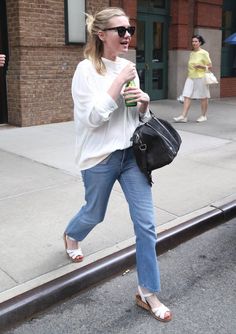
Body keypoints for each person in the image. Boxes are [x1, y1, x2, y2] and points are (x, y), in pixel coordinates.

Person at [63, 7, 172, 322]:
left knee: (147, 225)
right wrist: (118, 82)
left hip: (130, 156)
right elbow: (93, 119)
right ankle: (72, 234)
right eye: (120, 30)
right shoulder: (86, 70)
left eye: (130, 30)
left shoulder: (128, 66)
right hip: (99, 158)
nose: (127, 36)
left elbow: (133, 119)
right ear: (101, 35)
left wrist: (143, 106)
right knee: (94, 213)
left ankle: (147, 292)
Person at [174, 35, 212, 123]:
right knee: (186, 95)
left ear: (200, 43)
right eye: (193, 41)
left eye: (196, 41)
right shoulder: (192, 53)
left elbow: (210, 66)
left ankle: (203, 115)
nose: (194, 43)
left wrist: (201, 66)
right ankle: (183, 116)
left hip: (201, 77)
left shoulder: (204, 53)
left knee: (203, 97)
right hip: (190, 77)